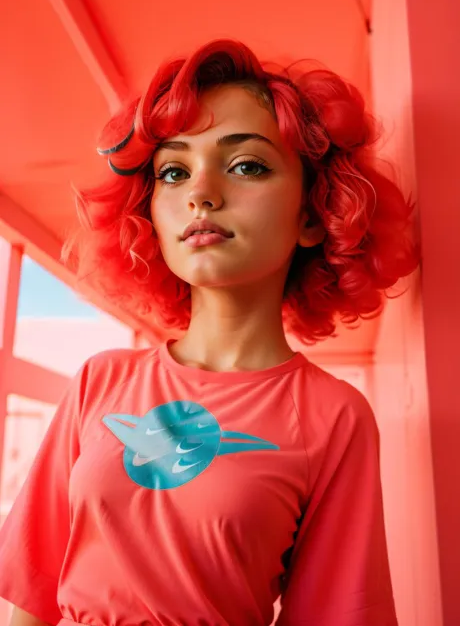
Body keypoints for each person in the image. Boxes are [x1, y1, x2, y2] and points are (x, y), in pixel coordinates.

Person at [0, 39, 418, 626]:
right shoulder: (100, 380)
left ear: (311, 214)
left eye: (247, 164)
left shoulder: (334, 416)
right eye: (174, 171)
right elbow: (32, 595)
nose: (201, 193)